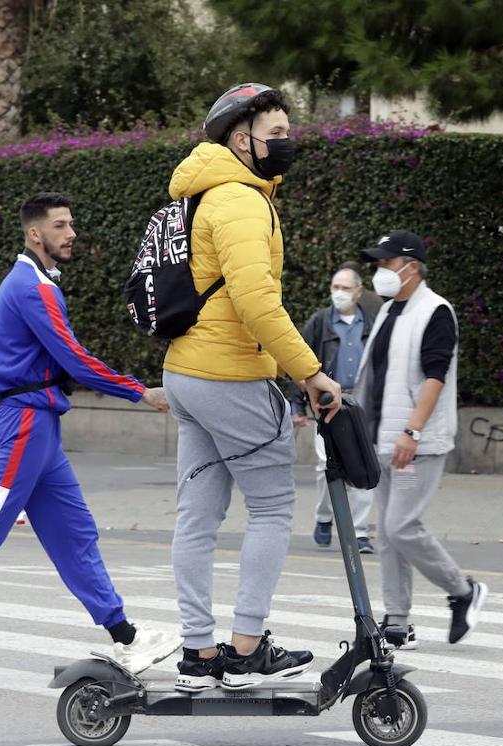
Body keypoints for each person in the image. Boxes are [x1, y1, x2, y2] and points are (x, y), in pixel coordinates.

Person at [0, 192, 182, 682]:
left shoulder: (37, 282)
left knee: (75, 535)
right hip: (28, 421)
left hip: (40, 423)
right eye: (61, 225)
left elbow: (63, 357)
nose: (71, 233)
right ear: (36, 233)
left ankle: (126, 639)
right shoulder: (33, 286)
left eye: (70, 224)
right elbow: (73, 357)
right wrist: (140, 393)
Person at [163, 83, 341, 693]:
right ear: (242, 140)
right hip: (232, 373)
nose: (287, 144)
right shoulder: (239, 199)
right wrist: (311, 372)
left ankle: (198, 652)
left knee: (198, 514)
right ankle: (244, 649)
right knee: (270, 506)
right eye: (276, 135)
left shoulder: (202, 193)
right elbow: (257, 301)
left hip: (186, 372)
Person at [354, 229, 487, 649]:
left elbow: (435, 376)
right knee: (389, 532)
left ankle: (462, 590)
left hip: (416, 441)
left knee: (401, 526)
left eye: (386, 263)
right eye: (378, 263)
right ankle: (397, 620)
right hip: (383, 438)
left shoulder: (435, 311)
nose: (380, 270)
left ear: (411, 266)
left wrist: (412, 430)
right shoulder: (393, 310)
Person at [291, 266, 376, 553]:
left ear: (359, 291)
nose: (339, 293)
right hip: (327, 402)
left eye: (345, 288)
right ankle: (324, 517)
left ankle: (361, 531)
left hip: (361, 402)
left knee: (364, 461)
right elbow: (298, 359)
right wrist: (297, 403)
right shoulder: (320, 322)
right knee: (326, 466)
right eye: (335, 287)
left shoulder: (372, 324)